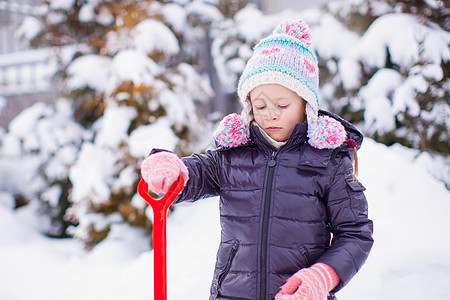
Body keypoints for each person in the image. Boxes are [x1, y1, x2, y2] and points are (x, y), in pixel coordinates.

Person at [140, 19, 373, 300]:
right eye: (260, 105)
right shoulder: (235, 154)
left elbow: (355, 233)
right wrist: (171, 166)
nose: (270, 114)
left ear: (306, 105)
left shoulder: (328, 162)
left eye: (283, 105)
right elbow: (198, 172)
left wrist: (325, 274)